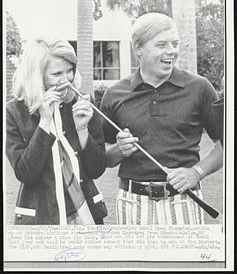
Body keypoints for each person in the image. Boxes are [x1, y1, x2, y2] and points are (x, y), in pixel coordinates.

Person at [100, 12, 223, 225]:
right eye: (161, 45)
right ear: (138, 49)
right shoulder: (114, 94)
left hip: (184, 200)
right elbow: (102, 157)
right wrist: (118, 150)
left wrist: (196, 172)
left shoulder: (200, 87)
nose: (171, 51)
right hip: (132, 203)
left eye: (175, 44)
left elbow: (226, 146)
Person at [6, 38, 107, 225]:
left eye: (70, 70)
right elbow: (25, 173)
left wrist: (82, 129)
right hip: (41, 219)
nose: (66, 79)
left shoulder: (83, 102)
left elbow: (97, 169)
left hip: (86, 214)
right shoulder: (14, 112)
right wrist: (44, 122)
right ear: (36, 76)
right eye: (57, 73)